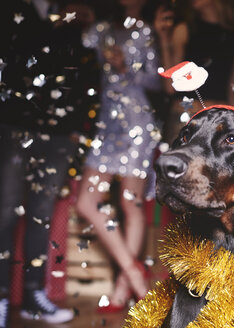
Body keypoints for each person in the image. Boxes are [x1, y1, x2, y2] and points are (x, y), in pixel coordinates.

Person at [0, 0, 98, 326]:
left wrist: (76, 131)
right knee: (6, 210)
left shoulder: (74, 17)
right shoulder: (14, 11)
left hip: (59, 134)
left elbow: (87, 74)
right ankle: (0, 298)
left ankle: (33, 296)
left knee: (40, 216)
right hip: (15, 125)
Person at [75, 0, 162, 312]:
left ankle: (122, 291)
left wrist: (129, 69)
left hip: (137, 121)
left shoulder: (146, 31)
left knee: (130, 202)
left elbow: (156, 80)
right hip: (107, 123)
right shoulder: (100, 30)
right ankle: (133, 269)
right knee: (87, 201)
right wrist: (77, 17)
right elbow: (77, 45)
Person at [154, 0, 234, 144]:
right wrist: (164, 40)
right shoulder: (184, 31)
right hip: (186, 117)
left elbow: (232, 87)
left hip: (219, 121)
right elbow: (170, 86)